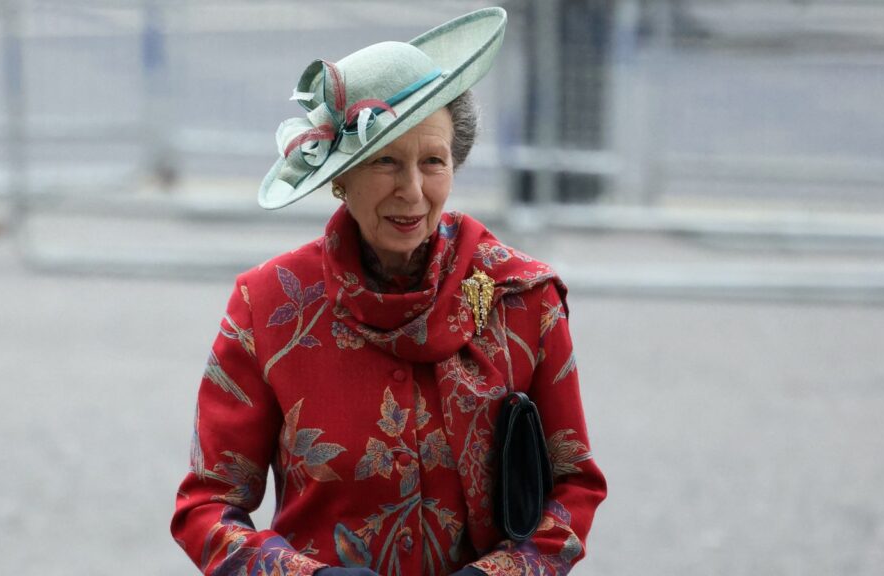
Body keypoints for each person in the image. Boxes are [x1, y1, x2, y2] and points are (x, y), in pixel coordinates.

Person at [170, 8, 606, 576]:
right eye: (385, 162)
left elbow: (574, 484)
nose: (413, 191)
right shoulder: (268, 305)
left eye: (433, 161)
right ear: (339, 179)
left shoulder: (521, 297)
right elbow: (206, 506)